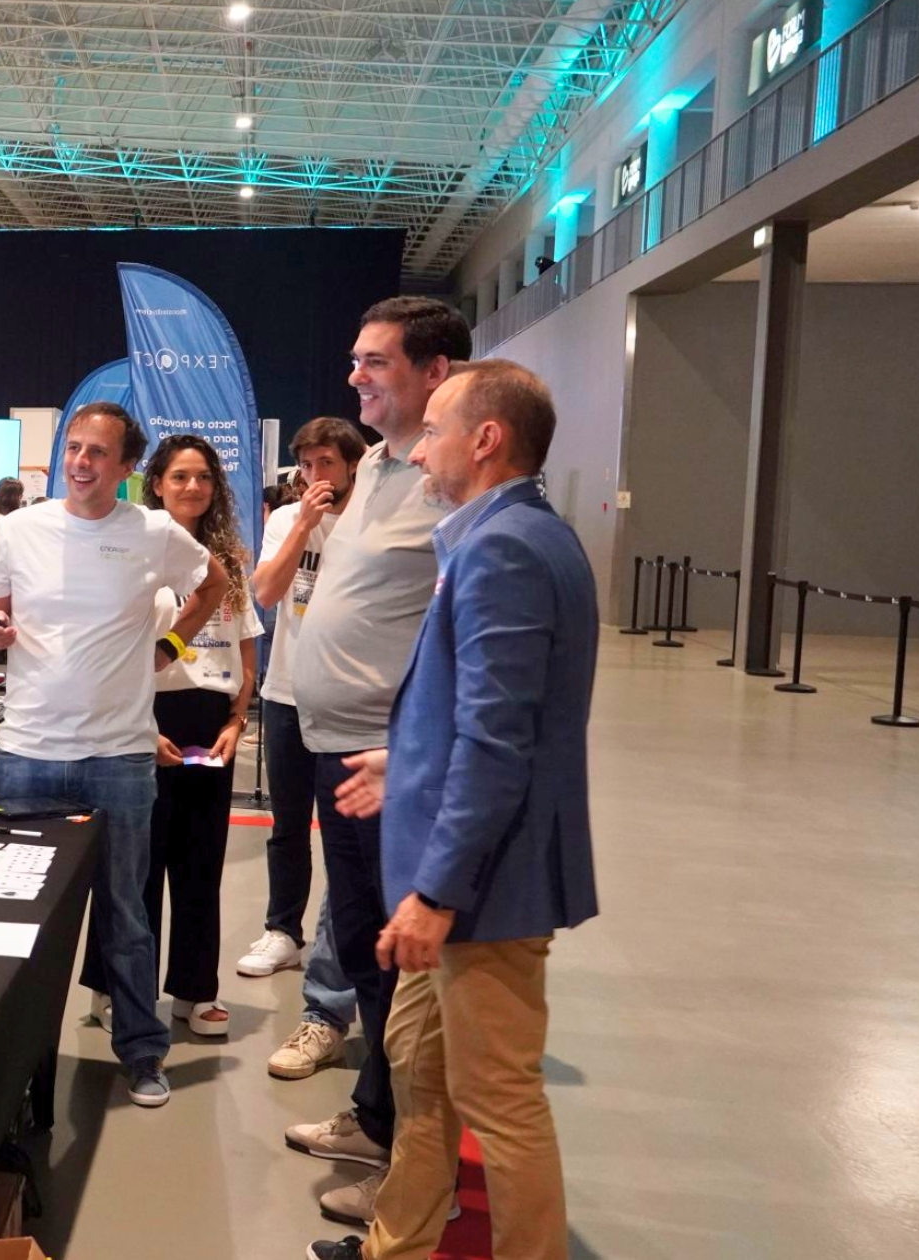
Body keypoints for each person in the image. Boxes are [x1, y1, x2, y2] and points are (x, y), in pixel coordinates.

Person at [307, 361, 598, 1260]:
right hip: (462, 874)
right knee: (419, 1073)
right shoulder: (495, 537)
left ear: (486, 439)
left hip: (483, 886)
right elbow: (494, 713)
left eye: (433, 430)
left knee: (500, 1102)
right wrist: (409, 762)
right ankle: (399, 1240)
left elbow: (501, 742)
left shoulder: (505, 547)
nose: (418, 448)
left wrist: (435, 893)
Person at [0, 403, 230, 1108]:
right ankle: (9, 1064)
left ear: (123, 468)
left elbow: (214, 586)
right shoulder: (20, 529)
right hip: (27, 751)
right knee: (17, 915)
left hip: (119, 754)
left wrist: (170, 647)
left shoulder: (152, 532)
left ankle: (144, 1054)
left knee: (126, 913)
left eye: (98, 452)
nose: (81, 461)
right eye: (74, 448)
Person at [282, 297, 469, 1229]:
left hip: (388, 766)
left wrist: (411, 752)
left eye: (376, 363)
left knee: (399, 973)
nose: (356, 375)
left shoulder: (449, 484)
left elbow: (469, 641)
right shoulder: (381, 471)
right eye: (355, 360)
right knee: (360, 946)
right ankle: (374, 1116)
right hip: (332, 747)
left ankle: (407, 1165)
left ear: (435, 372)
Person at [76, 435, 261, 1039]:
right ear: (155, 483)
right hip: (142, 719)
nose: (192, 487)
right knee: (134, 866)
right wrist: (140, 725)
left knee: (200, 863)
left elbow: (245, 651)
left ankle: (195, 990)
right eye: (179, 476)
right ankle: (112, 985)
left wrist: (236, 721)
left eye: (203, 477)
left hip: (212, 726)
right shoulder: (134, 548)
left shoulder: (229, 559)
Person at [244, 419, 369, 1087]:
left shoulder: (374, 519)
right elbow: (264, 592)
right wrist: (299, 526)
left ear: (354, 463)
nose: (318, 472)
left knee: (346, 840)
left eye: (329, 461)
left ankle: (335, 973)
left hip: (347, 705)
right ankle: (281, 930)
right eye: (308, 463)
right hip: (287, 692)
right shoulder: (291, 516)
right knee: (288, 826)